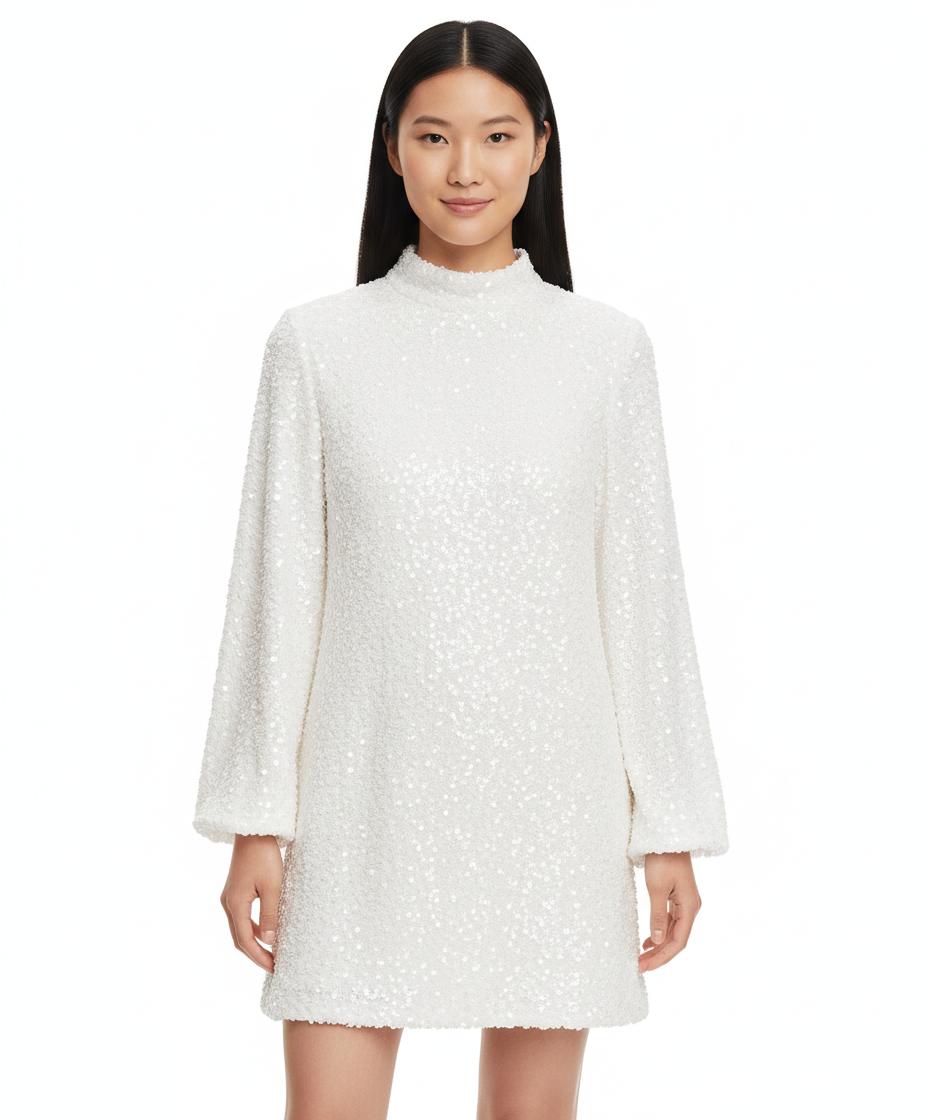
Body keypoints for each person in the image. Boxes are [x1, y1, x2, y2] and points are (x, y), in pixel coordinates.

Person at [192, 18, 729, 1120]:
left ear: (541, 145)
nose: (466, 169)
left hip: (552, 806)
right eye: (435, 137)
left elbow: (642, 596)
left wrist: (667, 826)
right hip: (362, 799)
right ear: (392, 147)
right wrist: (257, 817)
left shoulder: (605, 351)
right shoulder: (317, 345)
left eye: (496, 135)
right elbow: (276, 594)